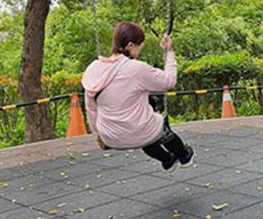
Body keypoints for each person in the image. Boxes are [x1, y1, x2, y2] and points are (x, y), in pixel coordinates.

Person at [82, 21, 194, 170]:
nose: (141, 48)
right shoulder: (136, 69)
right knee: (153, 130)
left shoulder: (94, 68)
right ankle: (184, 155)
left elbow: (91, 107)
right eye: (140, 44)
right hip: (140, 131)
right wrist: (169, 53)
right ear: (130, 45)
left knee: (146, 111)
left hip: (110, 137)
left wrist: (97, 134)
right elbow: (169, 81)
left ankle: (167, 159)